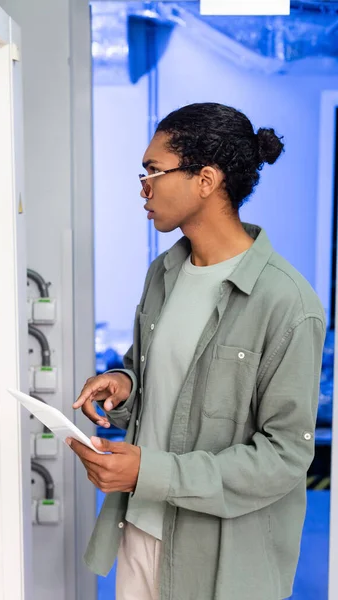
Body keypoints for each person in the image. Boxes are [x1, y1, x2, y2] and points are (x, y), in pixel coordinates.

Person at [68, 103, 326, 600]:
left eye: (154, 171)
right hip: (138, 531)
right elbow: (162, 382)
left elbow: (285, 456)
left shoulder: (288, 303)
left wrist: (148, 471)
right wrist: (124, 386)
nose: (143, 186)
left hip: (220, 564)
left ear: (205, 180)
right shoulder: (164, 272)